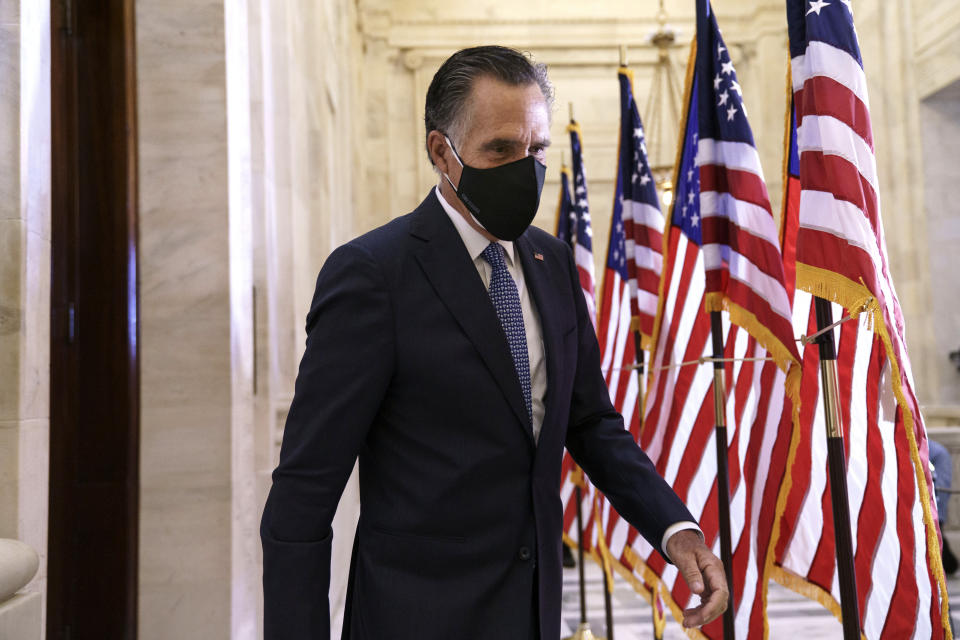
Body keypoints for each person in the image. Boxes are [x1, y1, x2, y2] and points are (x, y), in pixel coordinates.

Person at [260, 45, 728, 640]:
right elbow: (306, 488)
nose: (524, 167)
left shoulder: (551, 261)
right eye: (500, 149)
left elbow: (590, 422)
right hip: (416, 620)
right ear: (441, 152)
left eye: (536, 150)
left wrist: (674, 530)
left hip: (531, 617)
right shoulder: (373, 274)